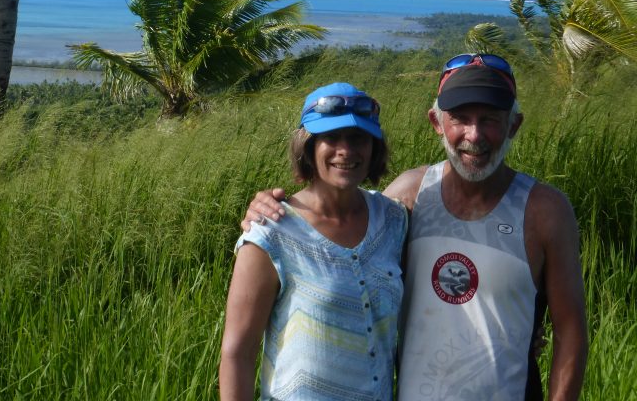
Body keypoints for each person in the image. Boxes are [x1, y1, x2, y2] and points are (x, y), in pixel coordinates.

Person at [243, 55, 588, 401]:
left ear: (514, 125)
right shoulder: (409, 196)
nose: (474, 135)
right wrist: (273, 213)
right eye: (460, 119)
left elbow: (571, 332)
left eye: (490, 120)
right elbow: (339, 216)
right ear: (436, 122)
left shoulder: (544, 211)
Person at [220, 82, 408, 400]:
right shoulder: (271, 231)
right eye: (331, 138)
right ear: (308, 147)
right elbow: (237, 352)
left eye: (358, 138)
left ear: (374, 147)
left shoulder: (393, 220)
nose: (345, 150)